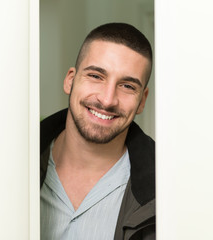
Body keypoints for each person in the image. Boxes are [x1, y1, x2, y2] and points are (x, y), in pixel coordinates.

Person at [40, 22, 155, 240]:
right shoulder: (12, 165)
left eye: (128, 86)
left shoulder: (165, 190)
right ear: (70, 80)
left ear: (142, 101)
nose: (107, 99)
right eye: (96, 76)